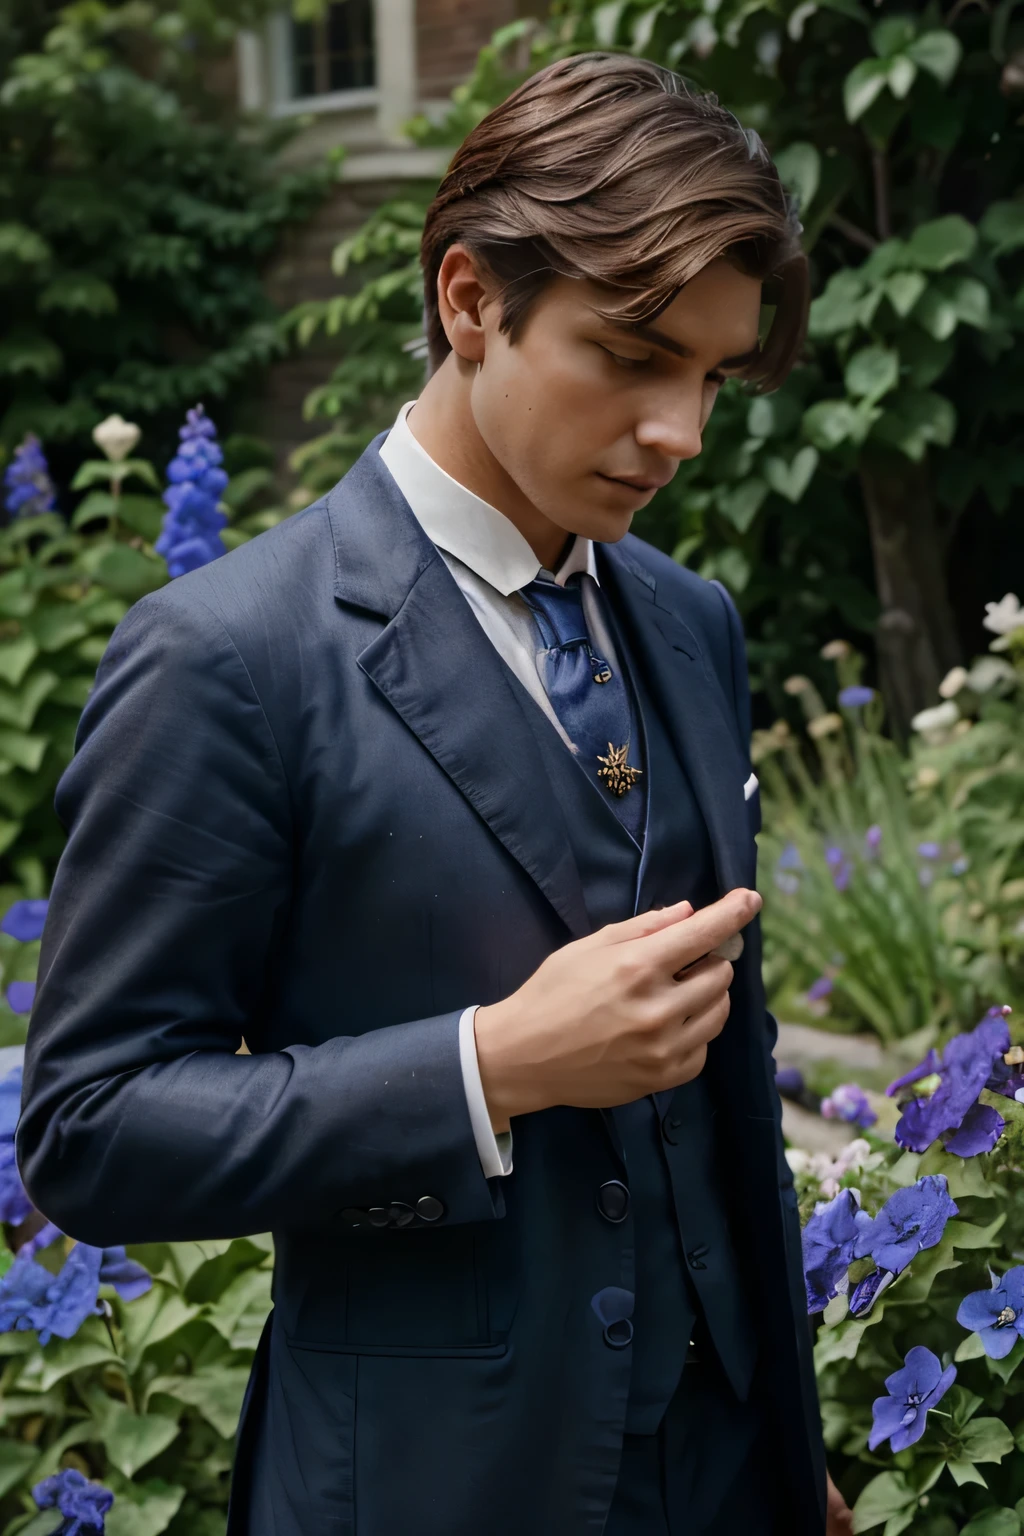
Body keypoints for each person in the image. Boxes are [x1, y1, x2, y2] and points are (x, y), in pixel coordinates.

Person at [18, 52, 853, 1536]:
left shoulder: (690, 622)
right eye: (637, 355)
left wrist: (780, 1436)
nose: (684, 434)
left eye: (714, 378)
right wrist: (489, 1066)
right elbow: (94, 1127)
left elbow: (720, 1081)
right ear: (470, 300)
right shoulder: (226, 658)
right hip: (430, 1484)